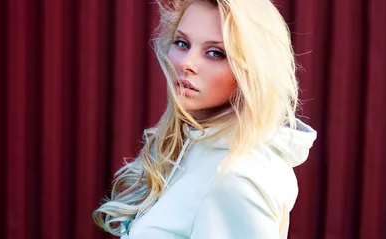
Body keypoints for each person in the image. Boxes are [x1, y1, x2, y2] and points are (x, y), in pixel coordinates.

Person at [93, 0, 317, 238]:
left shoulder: (237, 178)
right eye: (182, 43)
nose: (186, 63)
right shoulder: (192, 146)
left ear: (253, 71)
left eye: (215, 53)